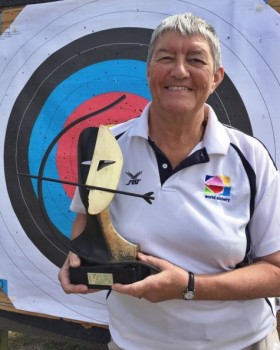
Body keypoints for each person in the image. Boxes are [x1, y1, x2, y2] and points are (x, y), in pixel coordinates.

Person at [58, 13, 280, 350]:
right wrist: (79, 260)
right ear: (148, 72)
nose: (179, 71)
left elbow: (276, 271)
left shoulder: (250, 158)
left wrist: (189, 286)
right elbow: (89, 220)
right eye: (165, 57)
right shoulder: (108, 145)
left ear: (216, 77)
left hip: (240, 342)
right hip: (134, 342)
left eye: (195, 59)